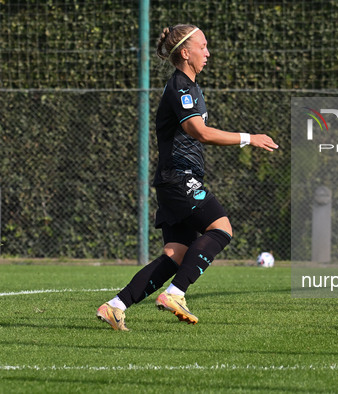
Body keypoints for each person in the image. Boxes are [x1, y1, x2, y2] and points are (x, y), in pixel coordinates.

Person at [96, 24, 278, 331]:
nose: (207, 52)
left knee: (176, 254)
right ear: (185, 52)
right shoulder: (181, 85)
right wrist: (249, 137)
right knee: (221, 228)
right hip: (180, 179)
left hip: (174, 180)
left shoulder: (188, 85)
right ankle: (176, 293)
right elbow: (200, 132)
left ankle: (115, 306)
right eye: (203, 46)